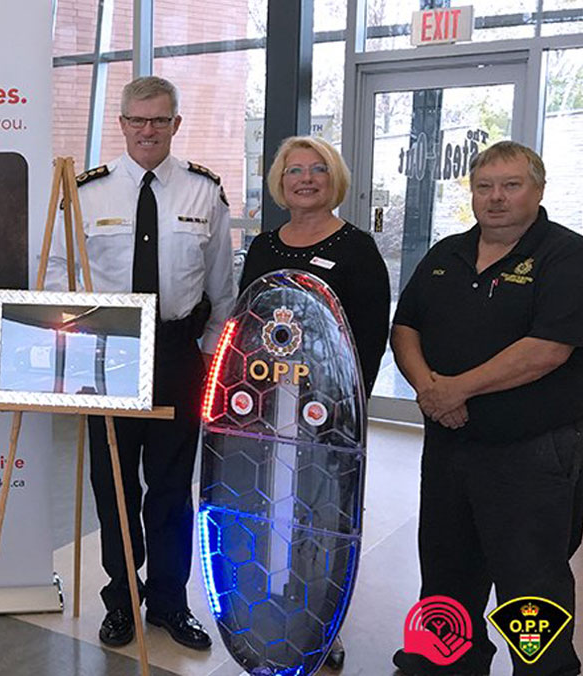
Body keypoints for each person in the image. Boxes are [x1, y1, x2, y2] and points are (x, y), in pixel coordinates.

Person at [45, 75, 235, 650]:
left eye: (158, 120)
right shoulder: (87, 192)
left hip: (178, 353)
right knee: (113, 484)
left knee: (173, 486)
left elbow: (222, 289)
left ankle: (171, 603)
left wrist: (206, 358)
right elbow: (57, 273)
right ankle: (123, 599)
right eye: (137, 119)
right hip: (107, 353)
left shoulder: (204, 192)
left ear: (176, 124)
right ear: (122, 123)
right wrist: (74, 346)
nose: (147, 130)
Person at [391, 141, 583, 676]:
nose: (495, 197)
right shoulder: (446, 254)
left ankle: (545, 671)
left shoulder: (566, 256)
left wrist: (458, 390)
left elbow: (546, 350)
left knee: (530, 581)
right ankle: (441, 662)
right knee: (446, 569)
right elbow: (405, 327)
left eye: (510, 185)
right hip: (449, 447)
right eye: (484, 187)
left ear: (537, 190)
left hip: (529, 452)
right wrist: (430, 388)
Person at [237, 136, 389, 670]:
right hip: (266, 409)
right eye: (294, 170)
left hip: (328, 414)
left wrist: (346, 409)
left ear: (334, 179)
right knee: (267, 511)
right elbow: (247, 322)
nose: (306, 179)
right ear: (280, 182)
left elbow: (370, 338)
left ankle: (322, 624)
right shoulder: (264, 246)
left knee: (321, 517)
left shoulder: (357, 248)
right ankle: (266, 608)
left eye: (317, 169)